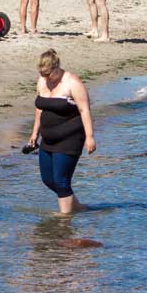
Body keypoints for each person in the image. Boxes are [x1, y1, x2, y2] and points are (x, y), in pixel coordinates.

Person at [26, 49, 96, 214]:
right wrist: (34, 134)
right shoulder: (42, 81)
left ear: (57, 68)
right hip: (48, 139)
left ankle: (64, 221)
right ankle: (77, 207)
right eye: (42, 75)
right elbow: (40, 109)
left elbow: (84, 110)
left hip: (70, 138)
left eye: (49, 74)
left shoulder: (72, 82)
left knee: (61, 181)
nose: (46, 78)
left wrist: (90, 137)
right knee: (48, 179)